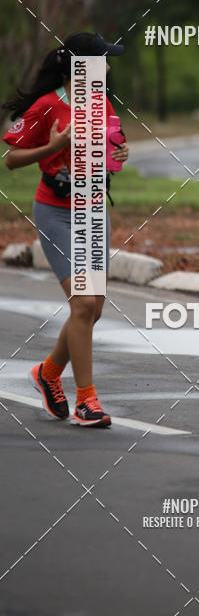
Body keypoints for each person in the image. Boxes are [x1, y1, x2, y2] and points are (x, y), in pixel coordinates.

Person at [2, 33, 129, 428]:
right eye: (103, 60)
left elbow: (109, 150)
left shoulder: (102, 102)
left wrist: (120, 153)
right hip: (56, 212)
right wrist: (52, 146)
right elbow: (11, 159)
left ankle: (48, 373)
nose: (108, 66)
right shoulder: (47, 106)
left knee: (93, 308)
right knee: (83, 305)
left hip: (93, 211)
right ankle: (86, 401)